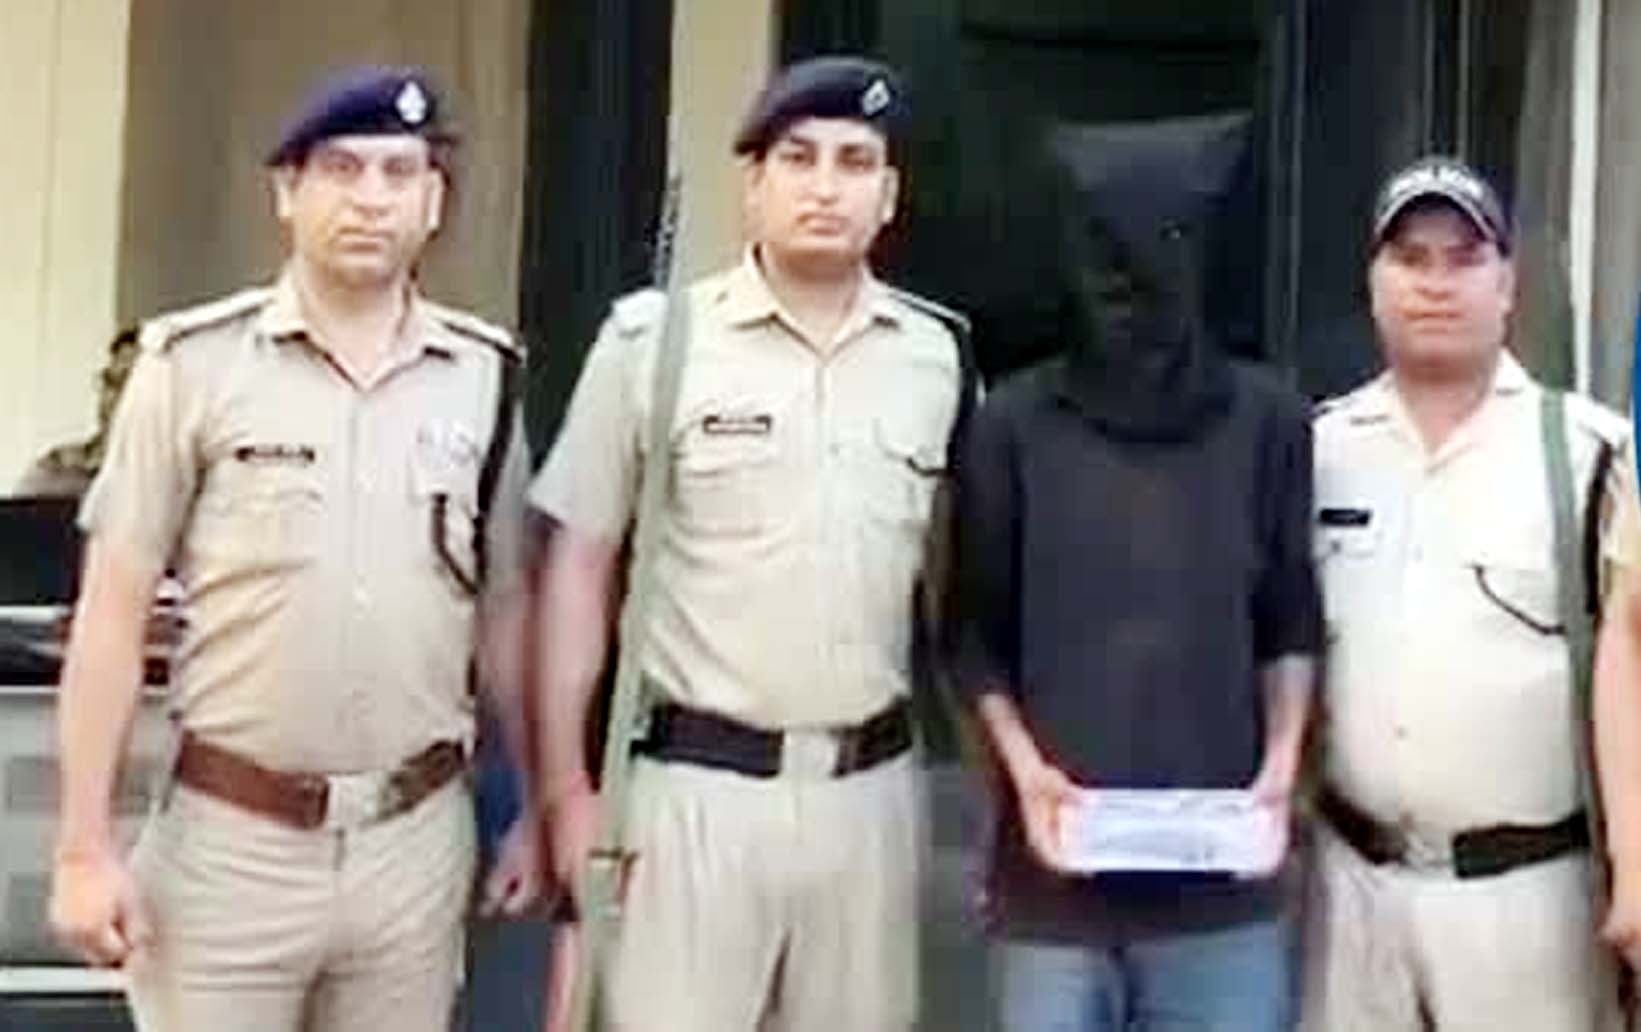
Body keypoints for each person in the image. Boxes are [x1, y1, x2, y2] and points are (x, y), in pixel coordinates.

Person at [47, 66, 539, 1031]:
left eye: (399, 173)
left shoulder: (486, 379)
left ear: (433, 202)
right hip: (232, 846)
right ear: (287, 192)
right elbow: (110, 616)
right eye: (341, 170)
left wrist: (525, 803)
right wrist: (82, 847)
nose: (371, 198)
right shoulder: (191, 368)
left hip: (412, 849)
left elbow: (501, 614)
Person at [529, 55, 967, 1031]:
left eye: (855, 162)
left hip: (868, 798)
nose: (825, 186)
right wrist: (566, 790)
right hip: (694, 799)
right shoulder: (655, 344)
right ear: (753, 186)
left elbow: (952, 580)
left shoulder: (936, 358)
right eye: (797, 158)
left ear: (888, 196)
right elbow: (578, 571)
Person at [950, 113, 1321, 1032]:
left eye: (1160, 249)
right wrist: (1023, 773)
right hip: (1052, 882)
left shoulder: (1268, 421)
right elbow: (973, 632)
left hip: (1223, 881)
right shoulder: (1012, 427)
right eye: (1106, 252)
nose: (1132, 281)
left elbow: (1290, 617)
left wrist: (1280, 768)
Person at [1302, 156, 1628, 1031]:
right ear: (1373, 283)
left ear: (1507, 284)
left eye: (1463, 259)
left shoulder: (1592, 457)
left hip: (1528, 911)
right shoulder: (1316, 449)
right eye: (1410, 259)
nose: (1435, 284)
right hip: (1347, 898)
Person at [15, 327, 140, 497]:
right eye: (110, 381)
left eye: (129, 385)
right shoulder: (53, 470)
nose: (113, 397)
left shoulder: (164, 478)